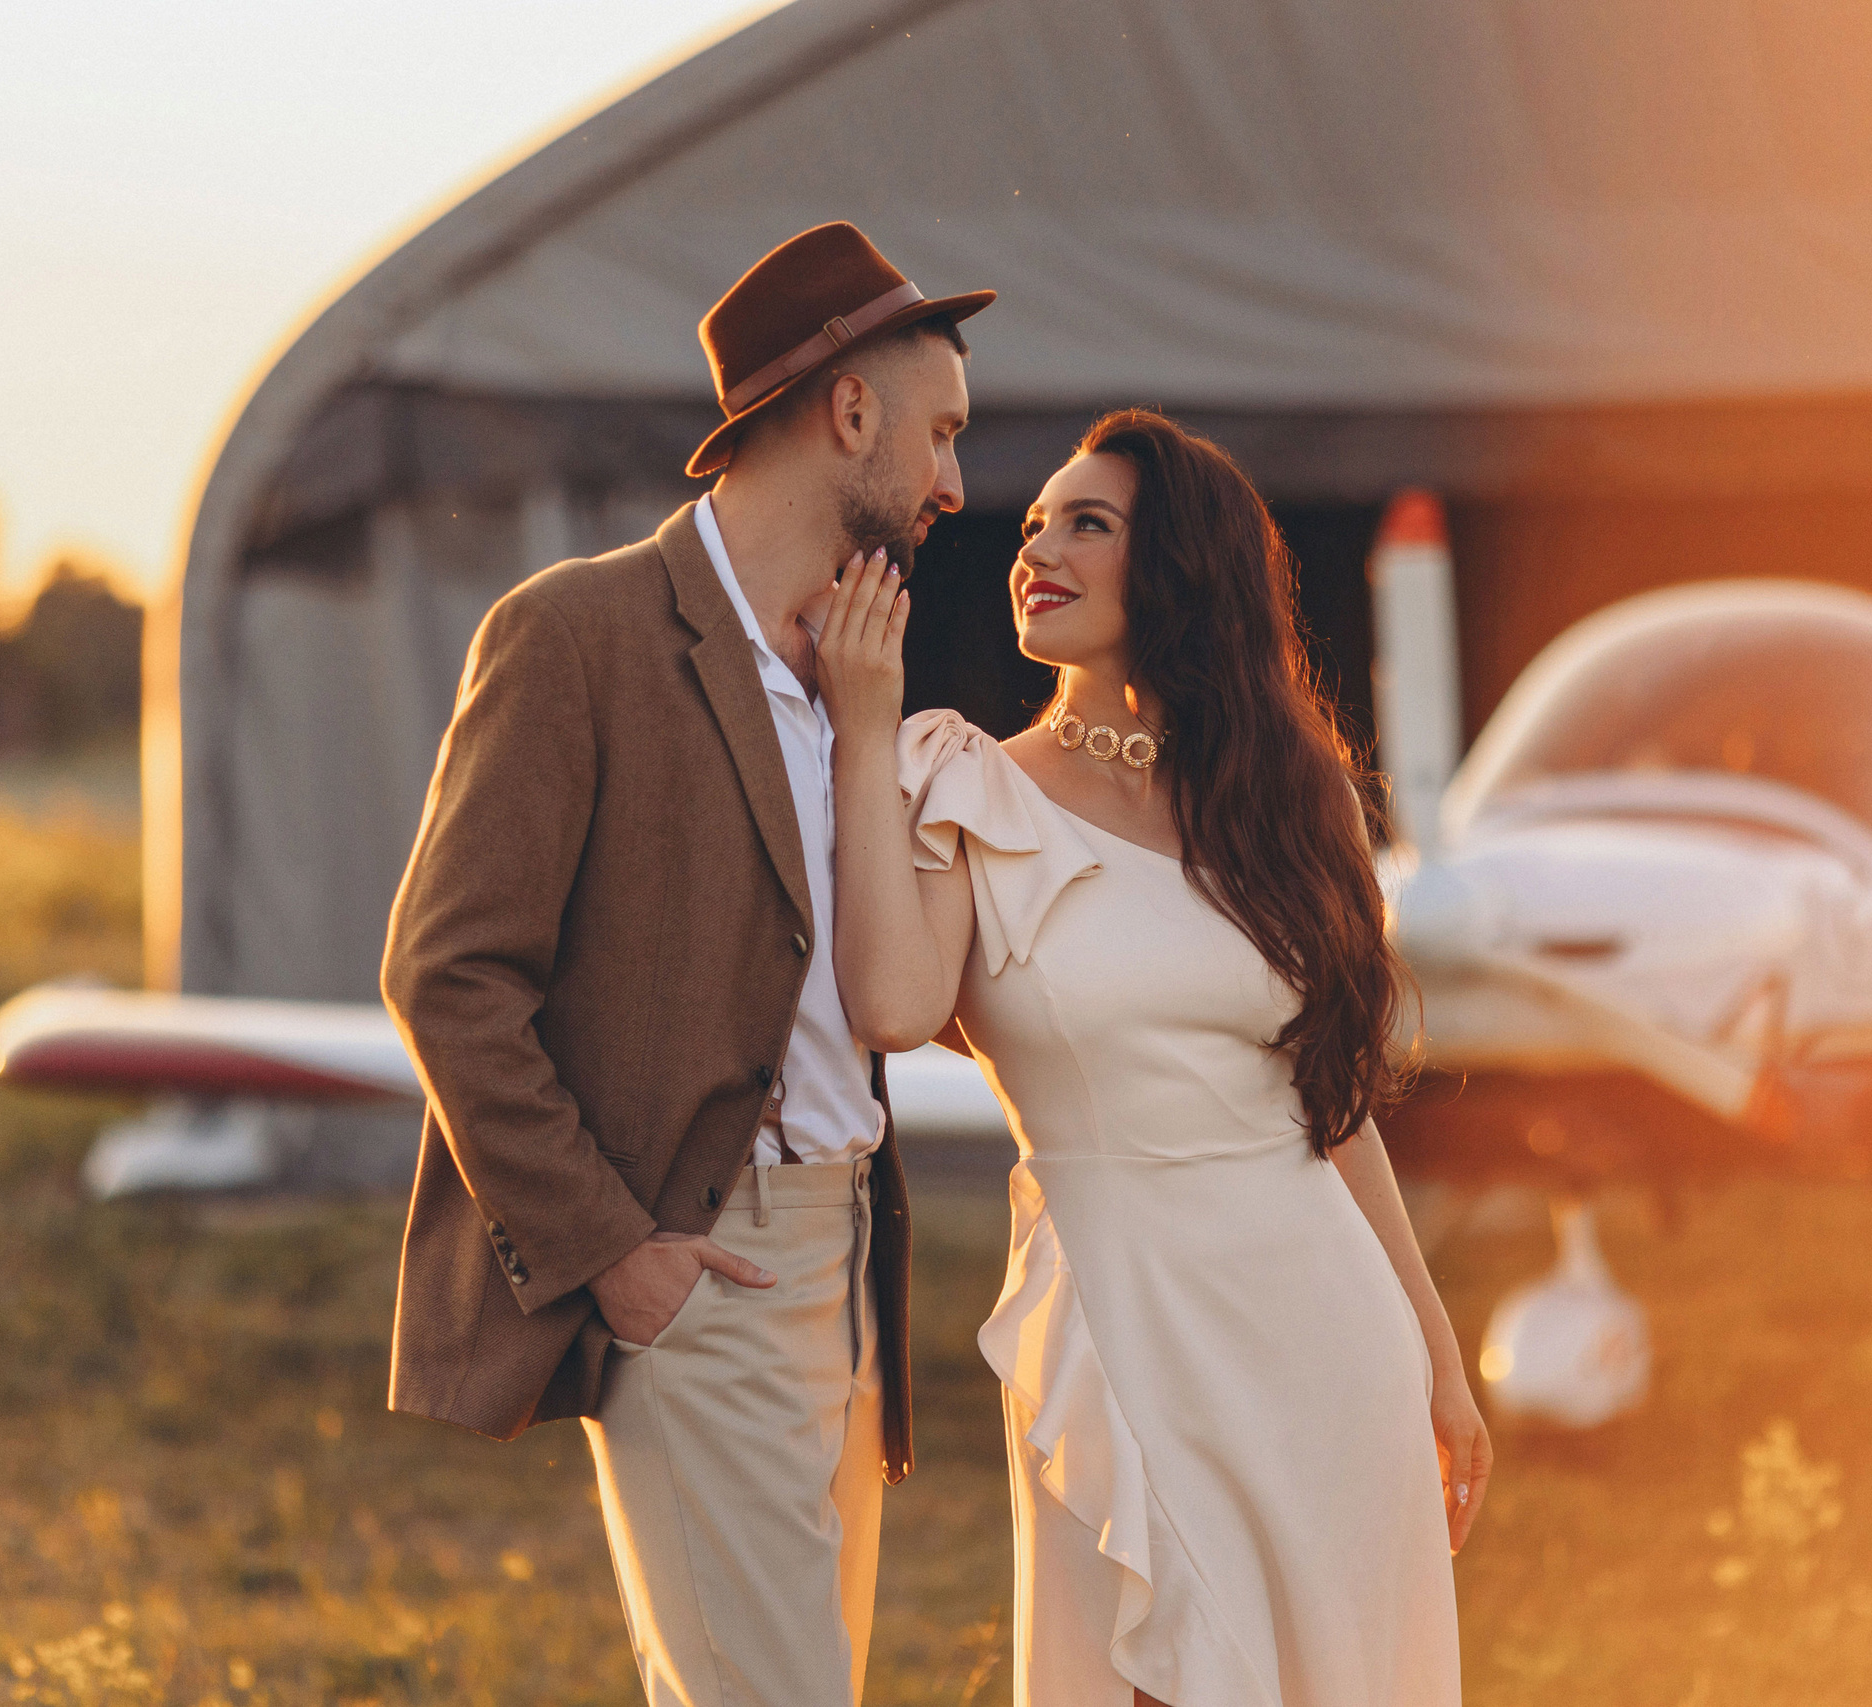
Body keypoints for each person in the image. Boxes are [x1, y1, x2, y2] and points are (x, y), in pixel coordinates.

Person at [380, 221, 993, 1707]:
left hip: (852, 1259)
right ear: (850, 413)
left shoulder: (858, 671)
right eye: (941, 435)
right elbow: (447, 974)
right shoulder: (574, 634)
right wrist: (614, 1251)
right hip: (701, 1260)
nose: (957, 487)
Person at [815, 409, 1486, 1706]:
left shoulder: (1298, 802)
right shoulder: (965, 785)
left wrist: (1436, 1355)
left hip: (1327, 1339)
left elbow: (1332, 1107)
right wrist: (860, 732)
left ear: (1180, 566)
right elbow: (894, 1007)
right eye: (1031, 525)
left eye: (1088, 523)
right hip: (1122, 1320)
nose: (1037, 548)